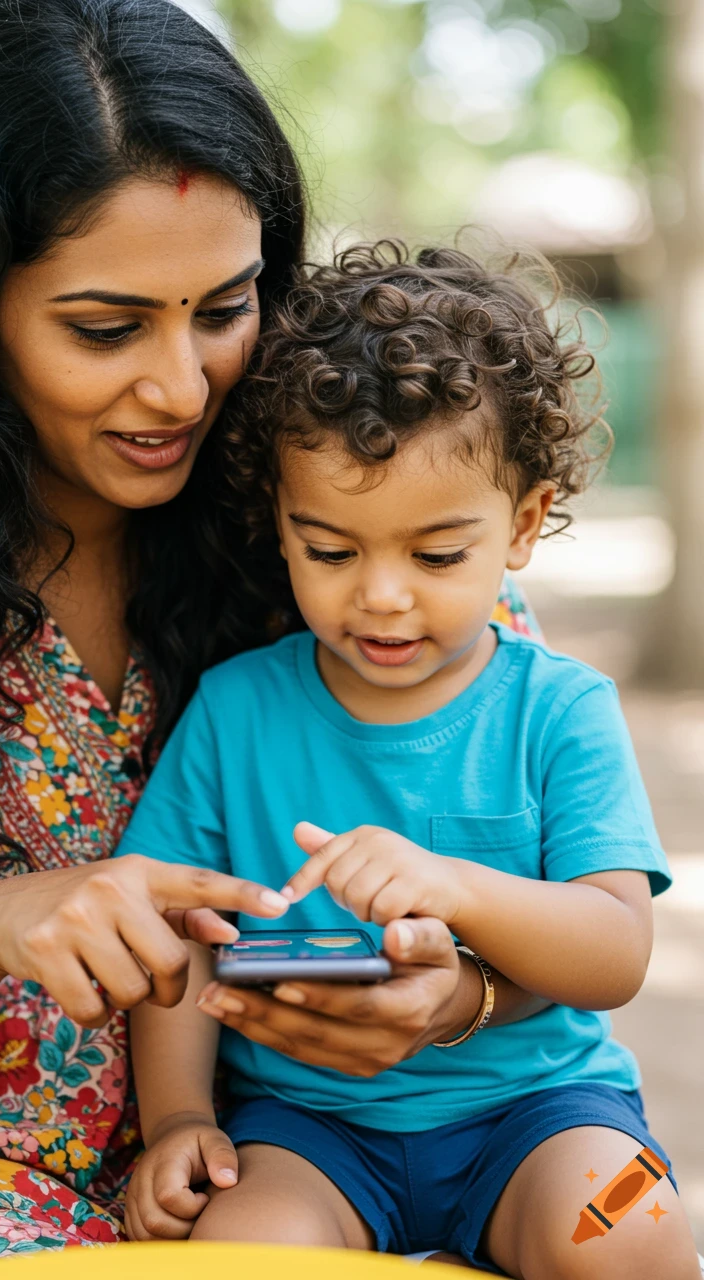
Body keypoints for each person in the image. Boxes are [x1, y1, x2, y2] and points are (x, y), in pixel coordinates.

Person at [0, 2, 543, 1273]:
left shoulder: (342, 500)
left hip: (315, 1151)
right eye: (105, 328)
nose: (184, 386)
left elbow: (557, 878)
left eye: (224, 305)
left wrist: (465, 995)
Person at [118, 240, 702, 1278]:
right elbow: (175, 932)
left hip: (537, 1110)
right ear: (281, 527)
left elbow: (613, 948)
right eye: (330, 549)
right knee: (236, 1257)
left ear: (520, 526)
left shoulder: (556, 708)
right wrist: (174, 1119)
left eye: (436, 554)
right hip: (304, 1128)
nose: (380, 595)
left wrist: (454, 886)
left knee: (629, 1234)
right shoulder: (236, 709)